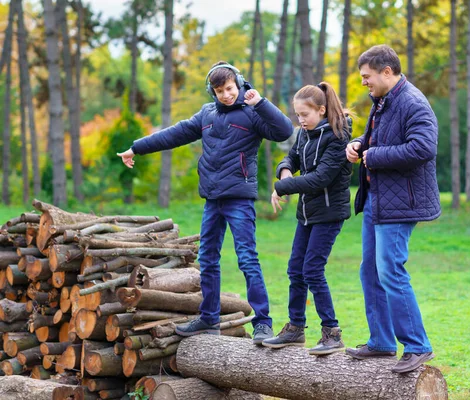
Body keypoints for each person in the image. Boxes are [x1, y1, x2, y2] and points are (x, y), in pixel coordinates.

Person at [117, 61, 293, 345]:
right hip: (212, 198)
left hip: (239, 198)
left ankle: (263, 323)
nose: (226, 95)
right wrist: (136, 147)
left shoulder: (252, 112)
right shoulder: (207, 114)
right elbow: (173, 134)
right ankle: (209, 319)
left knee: (247, 259)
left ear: (239, 83)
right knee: (207, 259)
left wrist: (261, 102)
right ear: (212, 91)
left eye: (230, 88)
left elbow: (284, 130)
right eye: (220, 90)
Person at [344, 45, 441, 373]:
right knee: (369, 269)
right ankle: (382, 341)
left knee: (390, 270)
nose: (363, 83)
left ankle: (417, 345)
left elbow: (423, 147)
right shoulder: (383, 102)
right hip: (378, 200)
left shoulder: (413, 102)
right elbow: (379, 138)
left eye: (366, 77)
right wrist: (359, 143)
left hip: (402, 203)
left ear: (387, 71)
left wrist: (374, 155)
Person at [262, 82, 352, 356]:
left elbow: (321, 178)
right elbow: (289, 158)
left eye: (305, 114)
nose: (300, 120)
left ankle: (332, 333)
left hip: (329, 214)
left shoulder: (338, 136)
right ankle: (295, 329)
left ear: (321, 110)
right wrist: (284, 172)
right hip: (307, 214)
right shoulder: (305, 133)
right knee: (295, 269)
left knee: (312, 270)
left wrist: (283, 187)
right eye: (297, 115)